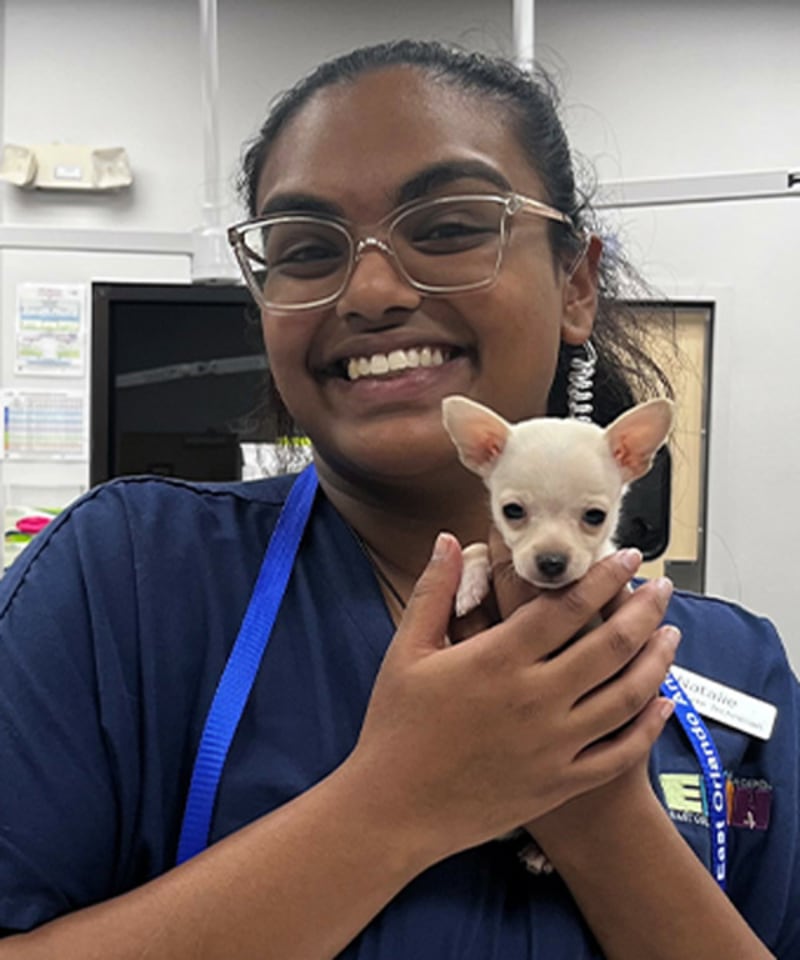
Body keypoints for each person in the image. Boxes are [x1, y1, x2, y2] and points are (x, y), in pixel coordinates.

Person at [0, 39, 796, 960]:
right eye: (304, 248)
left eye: (453, 226)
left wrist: (597, 814)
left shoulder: (736, 673)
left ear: (576, 282)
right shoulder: (127, 584)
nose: (372, 291)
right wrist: (397, 804)